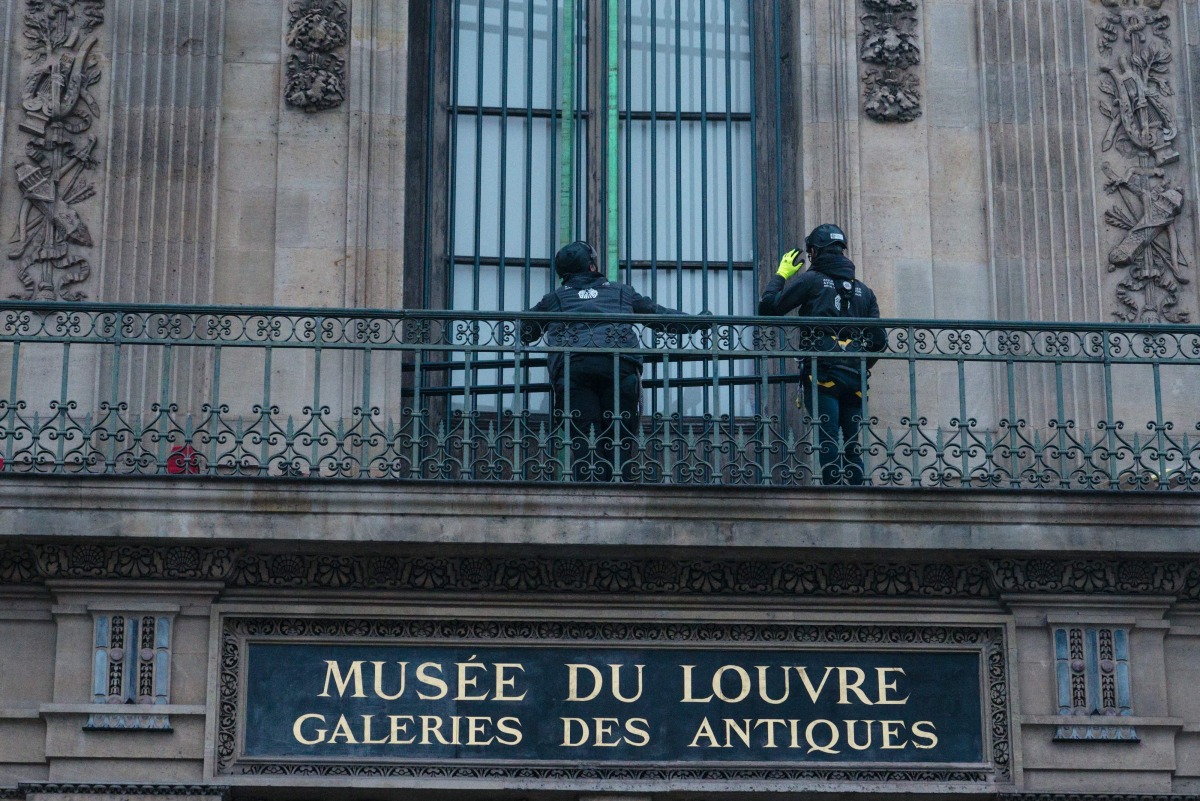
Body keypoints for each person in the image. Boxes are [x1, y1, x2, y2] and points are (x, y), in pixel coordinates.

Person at [522, 241, 691, 481]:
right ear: (592, 267)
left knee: (585, 440)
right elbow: (658, 315)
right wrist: (696, 323)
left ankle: (589, 497)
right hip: (619, 365)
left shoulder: (555, 298)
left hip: (575, 369)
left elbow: (526, 332)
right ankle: (620, 493)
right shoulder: (621, 291)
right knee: (618, 439)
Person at [758, 224, 886, 486]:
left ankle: (834, 499)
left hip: (823, 376)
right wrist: (859, 361)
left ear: (814, 252)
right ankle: (857, 496)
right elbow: (879, 340)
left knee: (828, 442)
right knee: (852, 447)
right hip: (856, 380)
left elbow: (767, 309)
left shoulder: (811, 280)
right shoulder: (865, 291)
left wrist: (782, 274)